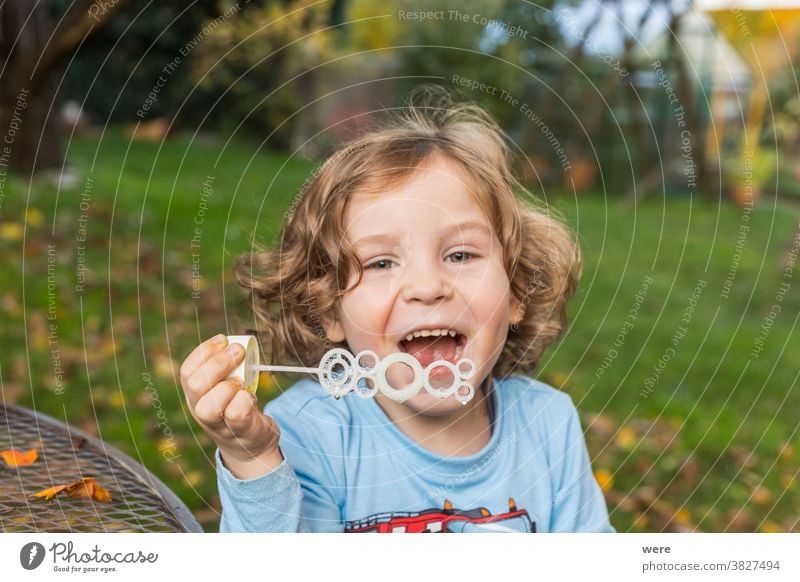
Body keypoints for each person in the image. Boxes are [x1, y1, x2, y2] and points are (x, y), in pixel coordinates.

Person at [179, 85, 615, 533]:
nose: (427, 287)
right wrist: (252, 461)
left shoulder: (548, 424)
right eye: (381, 262)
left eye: (461, 255)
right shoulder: (306, 433)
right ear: (329, 310)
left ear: (518, 291)